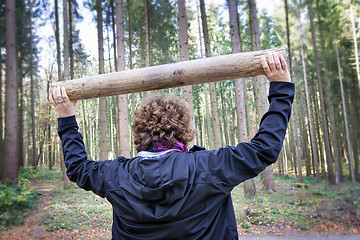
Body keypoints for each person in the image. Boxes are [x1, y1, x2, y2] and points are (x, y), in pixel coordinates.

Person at [49, 51, 294, 240]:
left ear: (139, 132)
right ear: (184, 132)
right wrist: (281, 88)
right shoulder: (209, 168)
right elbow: (264, 148)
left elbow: (78, 168)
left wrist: (66, 118)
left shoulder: (116, 177)